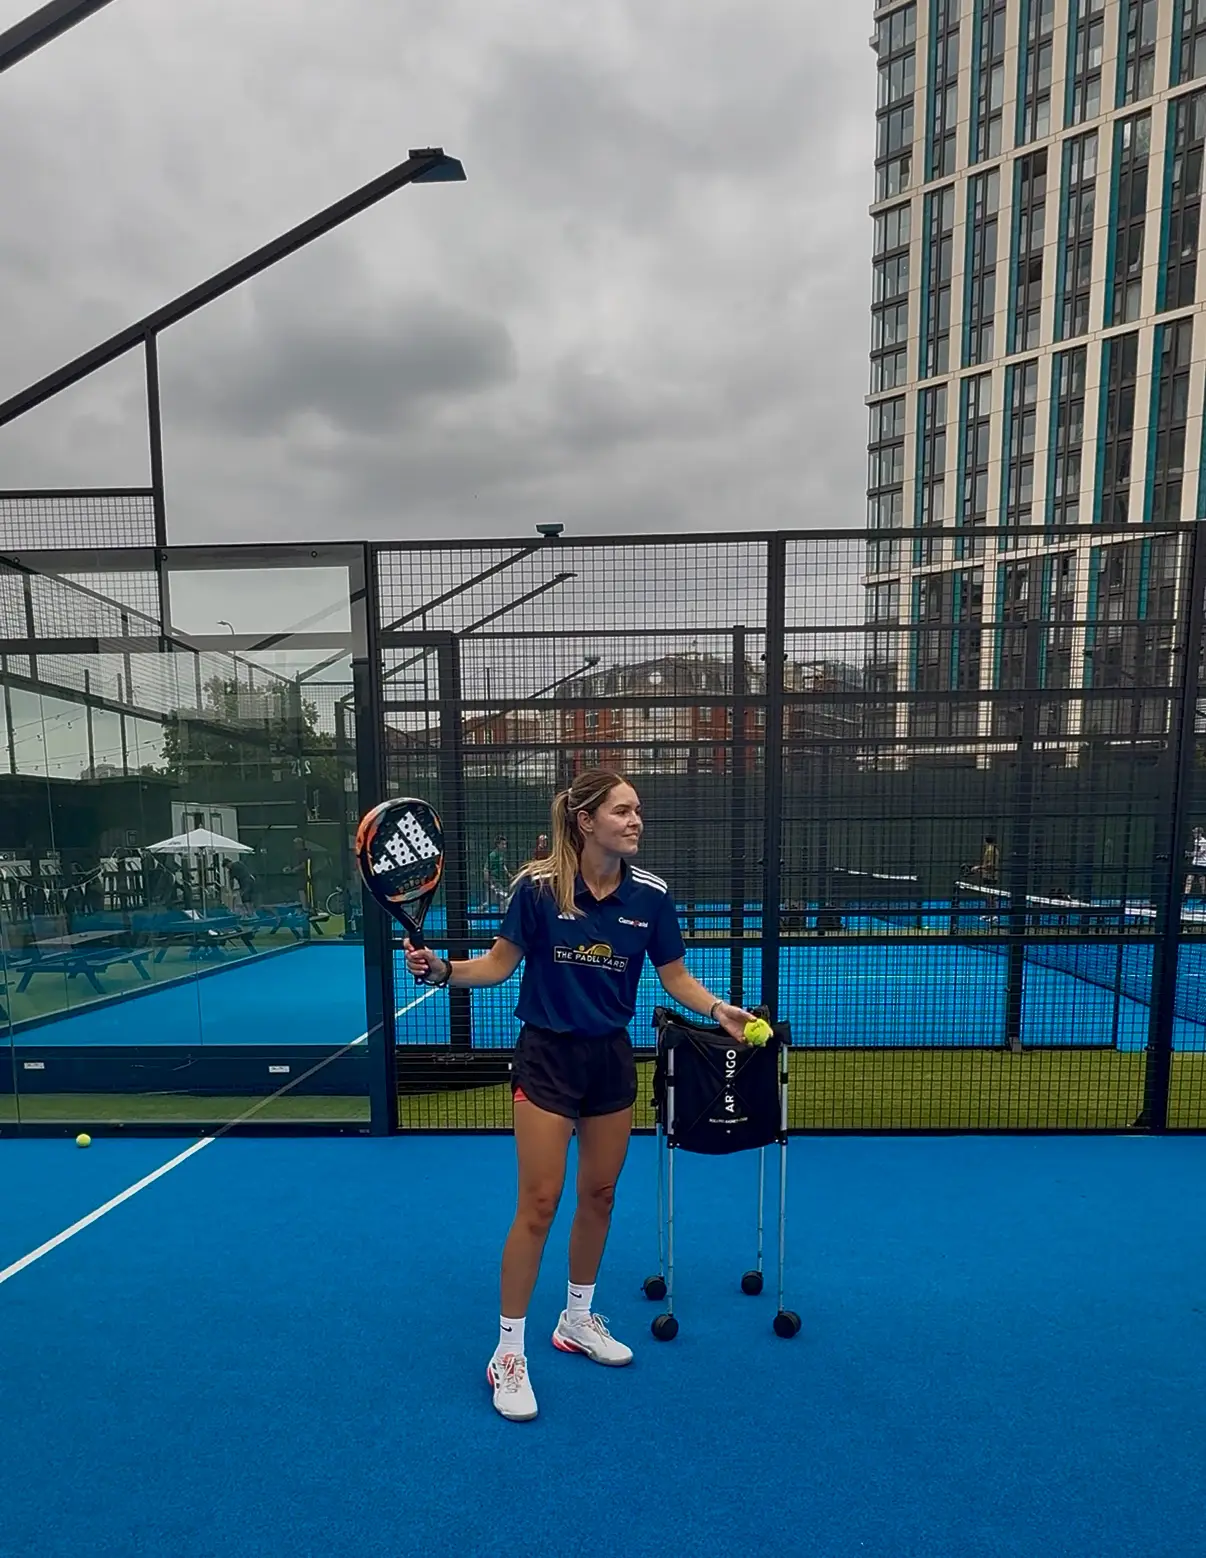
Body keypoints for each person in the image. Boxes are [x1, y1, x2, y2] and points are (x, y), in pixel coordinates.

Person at [403, 769, 757, 1424]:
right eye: (623, 810)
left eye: (639, 810)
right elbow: (499, 965)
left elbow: (673, 976)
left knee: (600, 1195)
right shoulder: (537, 890)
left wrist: (719, 1011)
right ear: (587, 821)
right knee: (539, 1202)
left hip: (610, 1061)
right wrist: (445, 969)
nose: (636, 820)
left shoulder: (651, 896)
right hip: (545, 1058)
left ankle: (575, 1319)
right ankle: (507, 1353)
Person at [483, 834, 511, 911]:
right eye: (503, 844)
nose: (505, 846)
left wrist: (507, 873)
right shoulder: (492, 855)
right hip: (493, 880)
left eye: (505, 844)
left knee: (490, 903)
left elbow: (502, 864)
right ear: (498, 845)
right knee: (502, 899)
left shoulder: (502, 854)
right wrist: (490, 884)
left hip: (499, 880)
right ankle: (502, 917)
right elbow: (486, 869)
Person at [1186, 827, 1206, 899]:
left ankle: (1204, 897)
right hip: (1195, 863)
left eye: (1195, 833)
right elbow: (1195, 852)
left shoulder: (1204, 842)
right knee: (1189, 879)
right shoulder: (1195, 840)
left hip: (1202, 864)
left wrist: (1189, 854)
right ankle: (1186, 896)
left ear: (1200, 833)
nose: (1194, 834)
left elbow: (1199, 853)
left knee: (1202, 881)